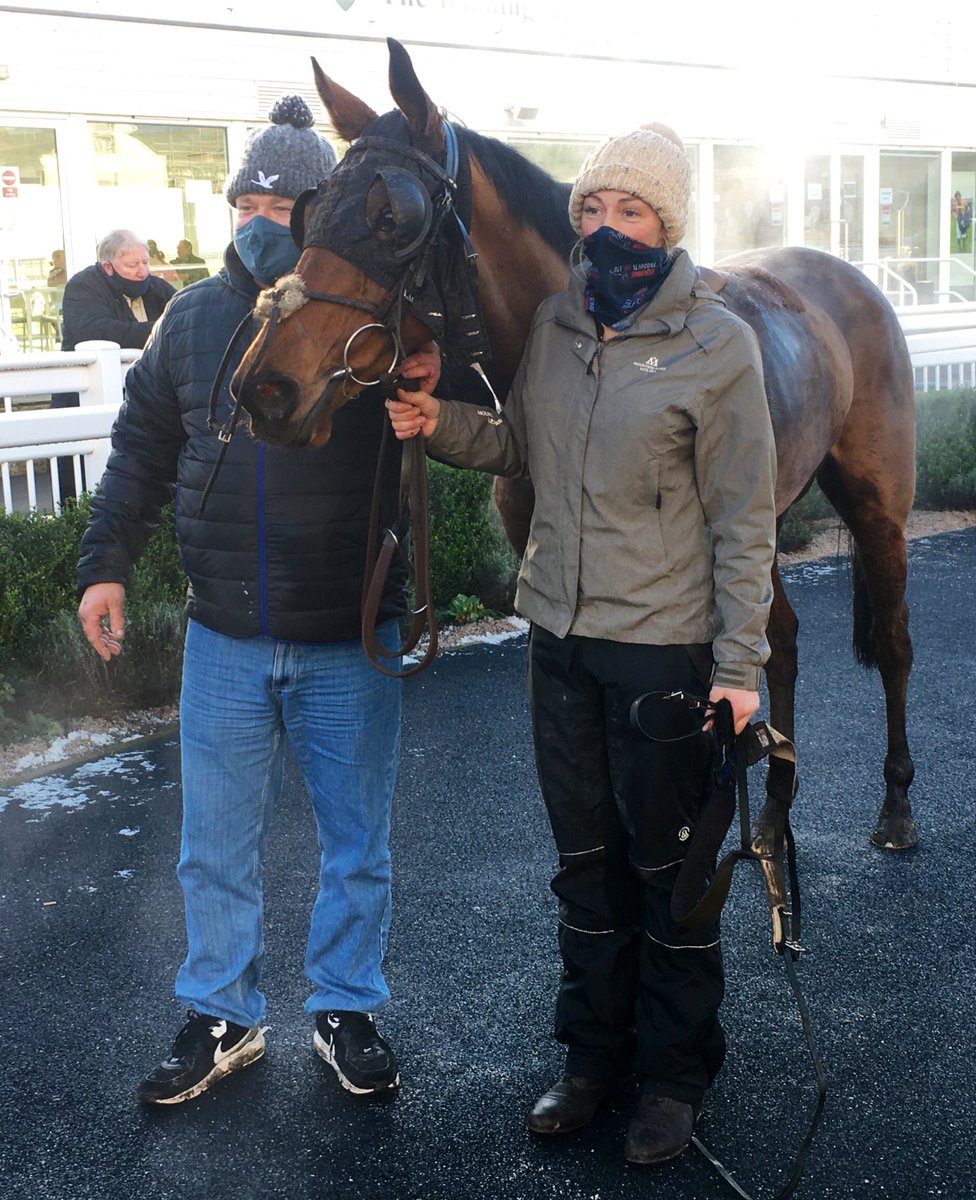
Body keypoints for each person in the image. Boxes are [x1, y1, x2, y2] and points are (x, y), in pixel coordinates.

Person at [386, 126, 777, 1165]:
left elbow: (745, 522)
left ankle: (676, 1077)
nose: (606, 229)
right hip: (555, 639)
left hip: (663, 651)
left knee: (667, 869)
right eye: (593, 210)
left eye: (631, 212)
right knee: (584, 864)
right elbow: (519, 446)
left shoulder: (716, 343)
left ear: (668, 224)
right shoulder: (559, 324)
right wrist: (440, 421)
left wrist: (741, 669)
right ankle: (592, 1059)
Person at [76, 96, 438, 1106]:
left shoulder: (378, 322)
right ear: (229, 206)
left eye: (284, 197)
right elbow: (140, 455)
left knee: (356, 843)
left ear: (323, 211)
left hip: (344, 632)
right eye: (249, 195)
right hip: (224, 632)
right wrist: (104, 566)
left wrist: (435, 372)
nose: (263, 212)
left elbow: (479, 374)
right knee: (213, 846)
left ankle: (346, 1005)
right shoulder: (189, 320)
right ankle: (223, 1014)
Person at [52, 230, 177, 498]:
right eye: (132, 265)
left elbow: (186, 316)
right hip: (83, 398)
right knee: (84, 482)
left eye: (145, 262)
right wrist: (158, 330)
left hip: (146, 399)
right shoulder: (82, 287)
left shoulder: (156, 288)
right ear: (107, 267)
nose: (142, 271)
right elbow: (96, 331)